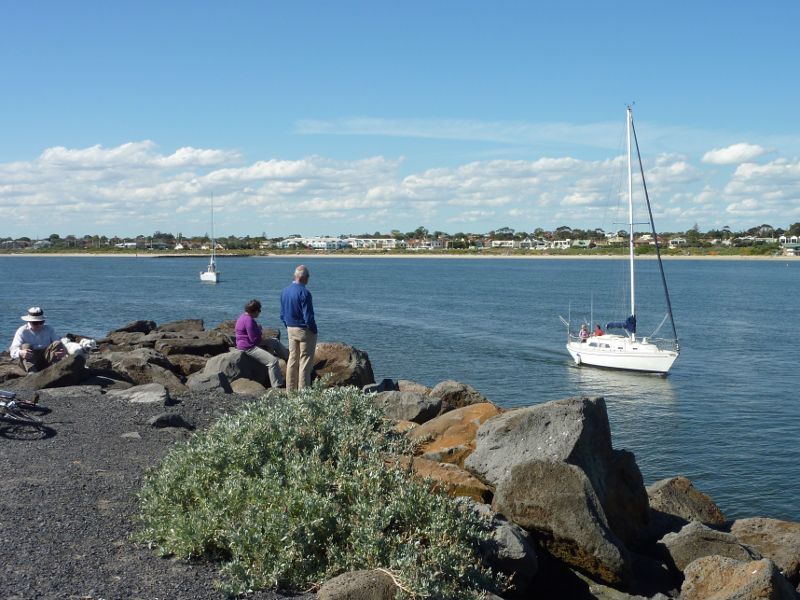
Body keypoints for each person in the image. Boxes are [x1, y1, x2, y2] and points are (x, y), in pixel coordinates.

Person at [235, 299, 289, 388]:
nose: (259, 313)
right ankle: (277, 386)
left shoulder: (243, 317)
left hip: (247, 343)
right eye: (259, 310)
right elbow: (255, 340)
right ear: (254, 310)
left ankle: (288, 358)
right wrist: (259, 330)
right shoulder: (249, 321)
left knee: (274, 341)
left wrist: (257, 329)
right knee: (273, 361)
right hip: (248, 347)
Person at [280, 264, 317, 390]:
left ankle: (290, 390)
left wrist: (287, 325)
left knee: (292, 360)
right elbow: (308, 317)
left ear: (295, 276)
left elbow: (282, 314)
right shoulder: (305, 293)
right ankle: (303, 392)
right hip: (303, 330)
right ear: (305, 277)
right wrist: (314, 330)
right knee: (305, 362)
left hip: (290, 328)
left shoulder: (285, 291)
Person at [9, 307, 66, 372]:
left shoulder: (49, 329)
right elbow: (13, 350)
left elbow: (59, 343)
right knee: (26, 346)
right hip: (30, 359)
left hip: (46, 357)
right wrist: (21, 352)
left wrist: (63, 352)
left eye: (41, 322)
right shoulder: (22, 331)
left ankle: (56, 369)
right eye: (35, 323)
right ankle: (32, 373)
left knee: (57, 343)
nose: (39, 325)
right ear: (29, 321)